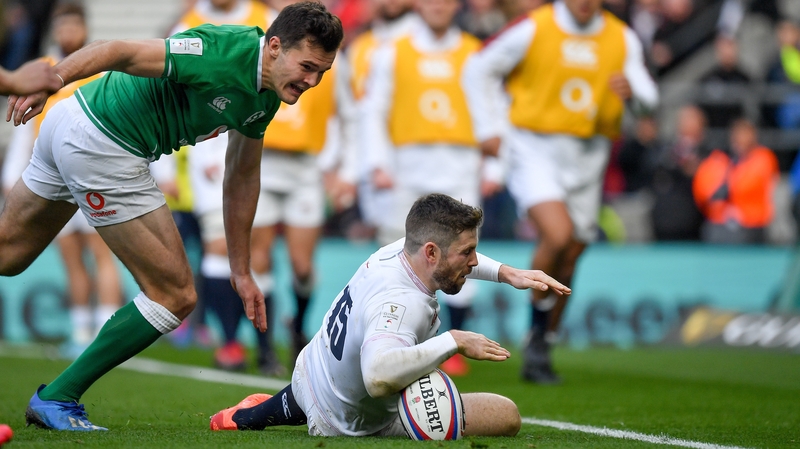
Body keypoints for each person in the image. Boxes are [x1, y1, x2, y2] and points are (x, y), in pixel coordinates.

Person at [4, 1, 343, 431]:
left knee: (8, 257)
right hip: (103, 141)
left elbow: (240, 177)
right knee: (175, 294)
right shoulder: (220, 50)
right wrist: (50, 82)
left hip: (73, 125)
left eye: (322, 74)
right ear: (275, 46)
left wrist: (240, 270)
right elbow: (118, 50)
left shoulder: (270, 92)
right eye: (308, 67)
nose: (312, 82)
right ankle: (57, 398)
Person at [209, 193, 571, 437]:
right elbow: (378, 378)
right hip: (345, 422)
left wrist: (507, 273)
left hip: (312, 371)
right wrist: (454, 341)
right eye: (468, 252)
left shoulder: (399, 249)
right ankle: (273, 409)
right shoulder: (402, 305)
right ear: (431, 252)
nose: (474, 261)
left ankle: (265, 410)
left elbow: (450, 257)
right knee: (506, 415)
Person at [463, 0, 658, 383]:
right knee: (558, 233)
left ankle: (542, 340)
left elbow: (649, 100)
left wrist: (633, 93)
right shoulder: (536, 27)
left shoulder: (621, 37)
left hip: (590, 155)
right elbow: (478, 67)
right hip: (534, 148)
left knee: (572, 251)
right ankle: (536, 336)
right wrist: (488, 128)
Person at [360, 0, 503, 375]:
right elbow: (375, 109)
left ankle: (453, 344)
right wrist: (378, 163)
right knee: (397, 245)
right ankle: (390, 335)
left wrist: (495, 164)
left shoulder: (475, 52)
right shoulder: (393, 51)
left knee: (462, 250)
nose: (438, 6)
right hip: (407, 161)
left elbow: (495, 108)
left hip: (460, 161)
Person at [151, 0, 280, 372]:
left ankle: (265, 345)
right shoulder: (187, 23)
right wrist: (165, 172)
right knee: (218, 245)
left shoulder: (266, 20)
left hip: (258, 139)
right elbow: (164, 91)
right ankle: (229, 342)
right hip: (208, 147)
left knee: (263, 252)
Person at [1, 4, 122, 359]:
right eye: (63, 24)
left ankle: (105, 334)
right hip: (56, 180)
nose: (68, 31)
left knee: (102, 255)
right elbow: (27, 130)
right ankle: (81, 331)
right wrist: (12, 177)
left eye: (75, 23)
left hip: (98, 174)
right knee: (72, 260)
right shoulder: (43, 72)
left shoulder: (98, 68)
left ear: (84, 28)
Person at [693, 118, 779, 244]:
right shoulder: (719, 159)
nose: (741, 138)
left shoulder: (763, 157)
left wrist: (728, 185)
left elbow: (747, 185)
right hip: (720, 225)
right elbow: (703, 190)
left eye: (745, 133)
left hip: (752, 226)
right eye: (737, 133)